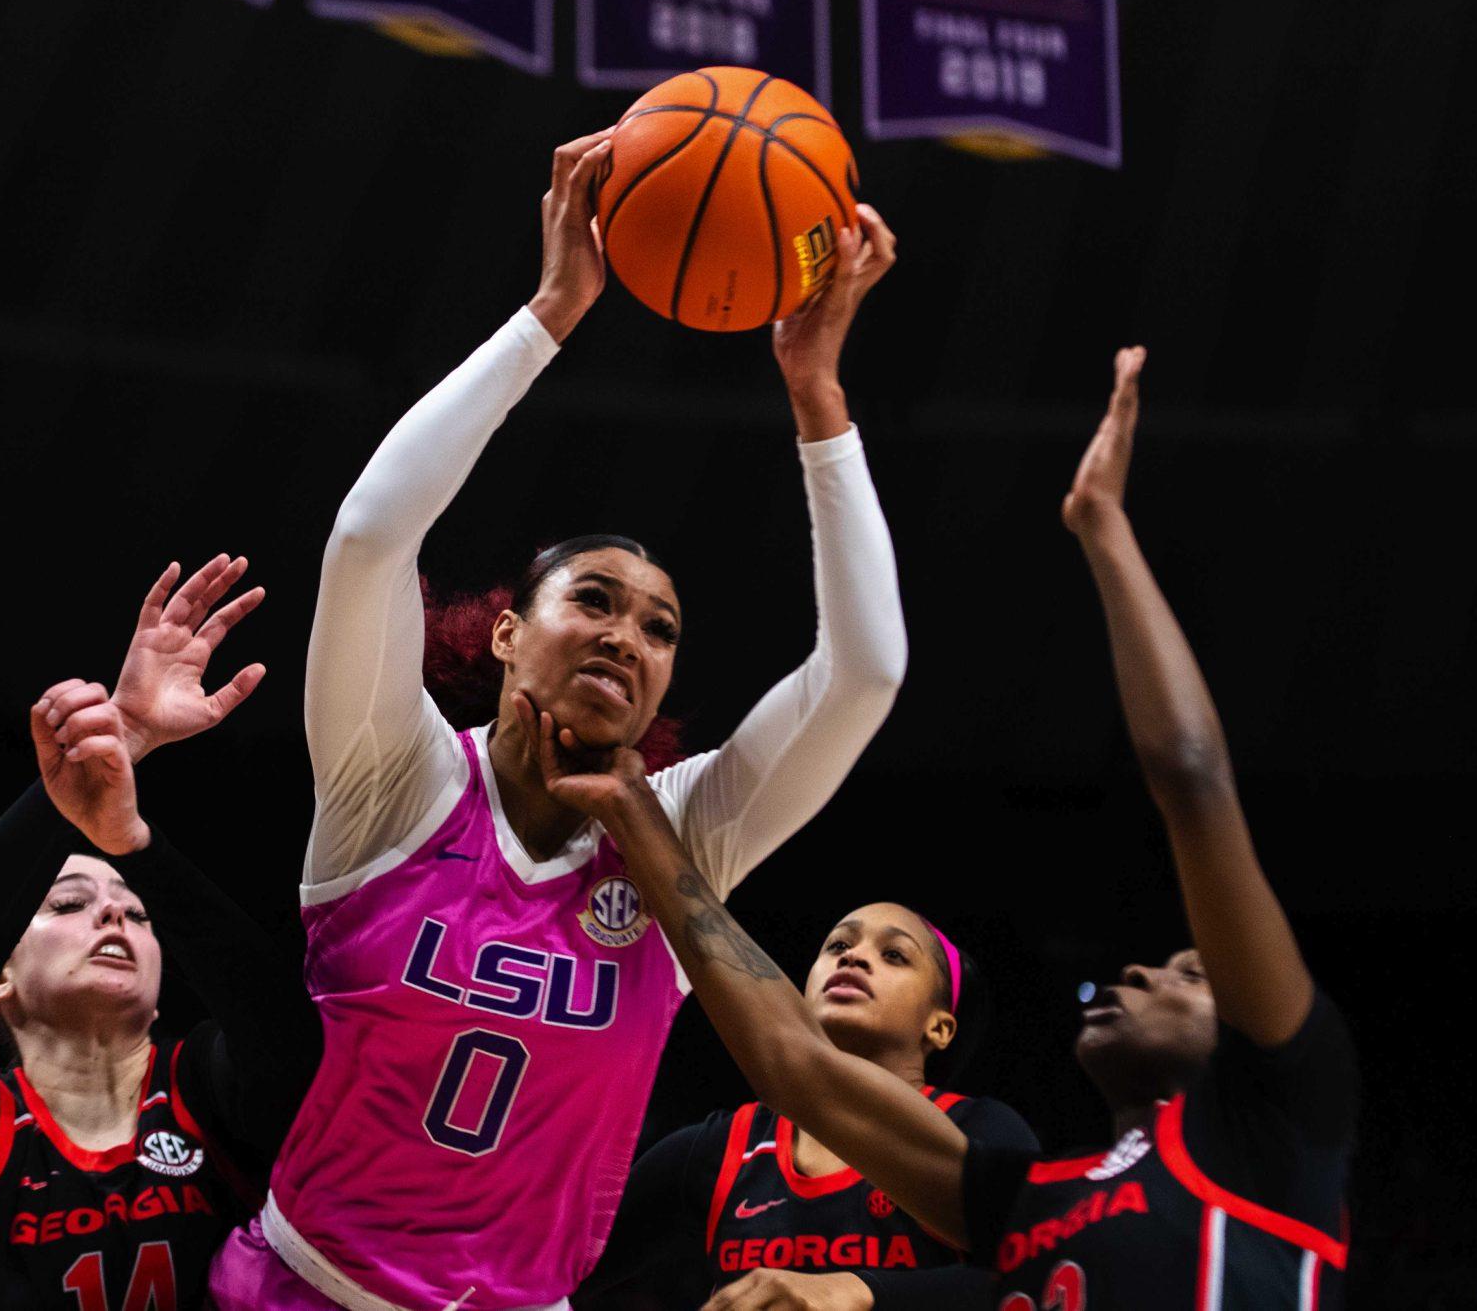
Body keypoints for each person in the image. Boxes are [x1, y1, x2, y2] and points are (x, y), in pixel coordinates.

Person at [210, 131, 911, 1311]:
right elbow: (373, 536)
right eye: (592, 600)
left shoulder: (683, 834)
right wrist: (551, 310)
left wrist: (818, 399)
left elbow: (866, 674)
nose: (625, 639)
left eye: (658, 628)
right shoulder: (398, 778)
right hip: (306, 1289)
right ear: (500, 633)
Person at [545, 349, 1358, 1309]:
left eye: (1190, 972)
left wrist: (1104, 532)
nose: (1142, 970)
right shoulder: (1031, 1208)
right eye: (844, 940)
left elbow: (1189, 774)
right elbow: (794, 1063)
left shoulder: (1283, 1135)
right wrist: (644, 827)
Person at [0, 555, 323, 1310]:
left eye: (138, 910)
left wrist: (136, 845)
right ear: (1, 978)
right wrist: (78, 777)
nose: (115, 912)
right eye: (67, 904)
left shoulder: (204, 1089)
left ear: (158, 990)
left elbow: (283, 1026)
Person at [583, 904, 1035, 1311]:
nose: (853, 957)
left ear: (940, 1028)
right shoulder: (722, 1146)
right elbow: (556, 1268)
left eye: (894, 955)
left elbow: (1048, 1273)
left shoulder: (976, 1128)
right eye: (838, 944)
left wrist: (862, 1291)